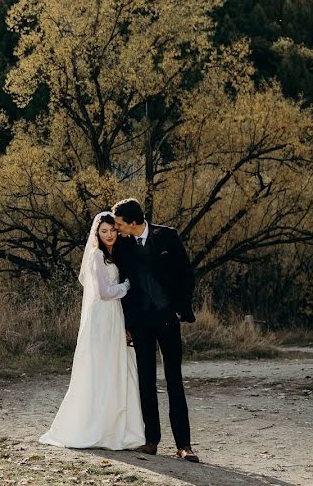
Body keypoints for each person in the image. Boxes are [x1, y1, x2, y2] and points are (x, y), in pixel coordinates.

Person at [39, 212, 145, 450]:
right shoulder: (96, 256)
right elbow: (104, 292)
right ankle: (94, 427)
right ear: (97, 233)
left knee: (114, 368)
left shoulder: (113, 255)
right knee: (99, 369)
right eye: (104, 231)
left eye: (112, 230)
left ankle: (114, 427)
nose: (109, 235)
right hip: (101, 318)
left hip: (114, 316)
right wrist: (128, 285)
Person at [112, 198, 199, 462]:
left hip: (168, 318)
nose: (116, 229)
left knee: (174, 380)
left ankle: (184, 445)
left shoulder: (167, 236)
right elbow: (122, 285)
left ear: (134, 222)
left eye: (119, 224)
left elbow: (187, 275)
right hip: (140, 323)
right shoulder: (123, 245)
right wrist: (127, 324)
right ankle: (151, 441)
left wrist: (179, 309)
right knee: (146, 381)